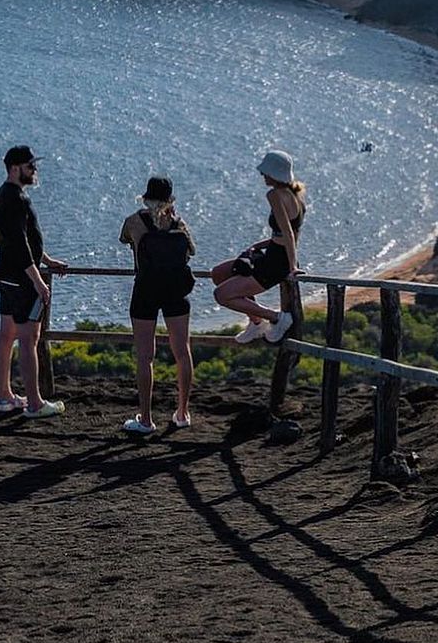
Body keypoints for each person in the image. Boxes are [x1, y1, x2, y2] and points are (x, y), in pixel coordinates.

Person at [0, 145, 68, 418]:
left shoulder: (4, 194)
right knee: (28, 339)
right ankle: (34, 403)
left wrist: (46, 260)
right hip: (22, 279)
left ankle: (4, 396)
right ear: (15, 168)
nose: (35, 170)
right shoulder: (17, 199)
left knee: (7, 334)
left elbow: (23, 238)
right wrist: (38, 279)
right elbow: (20, 244)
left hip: (6, 275)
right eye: (30, 166)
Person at [119, 176, 196, 435]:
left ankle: (146, 419)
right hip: (175, 291)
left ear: (146, 196)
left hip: (146, 289)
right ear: (170, 199)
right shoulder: (178, 223)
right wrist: (172, 220)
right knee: (182, 352)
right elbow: (192, 250)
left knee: (145, 356)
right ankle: (183, 413)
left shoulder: (134, 221)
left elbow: (124, 238)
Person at [212, 150, 305, 345]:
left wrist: (292, 266)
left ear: (274, 174)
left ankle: (276, 318)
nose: (263, 175)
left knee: (221, 295)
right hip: (273, 253)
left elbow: (288, 232)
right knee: (219, 273)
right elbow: (286, 233)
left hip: (276, 263)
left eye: (266, 172)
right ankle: (256, 323)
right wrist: (261, 244)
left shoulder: (274, 195)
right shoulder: (295, 195)